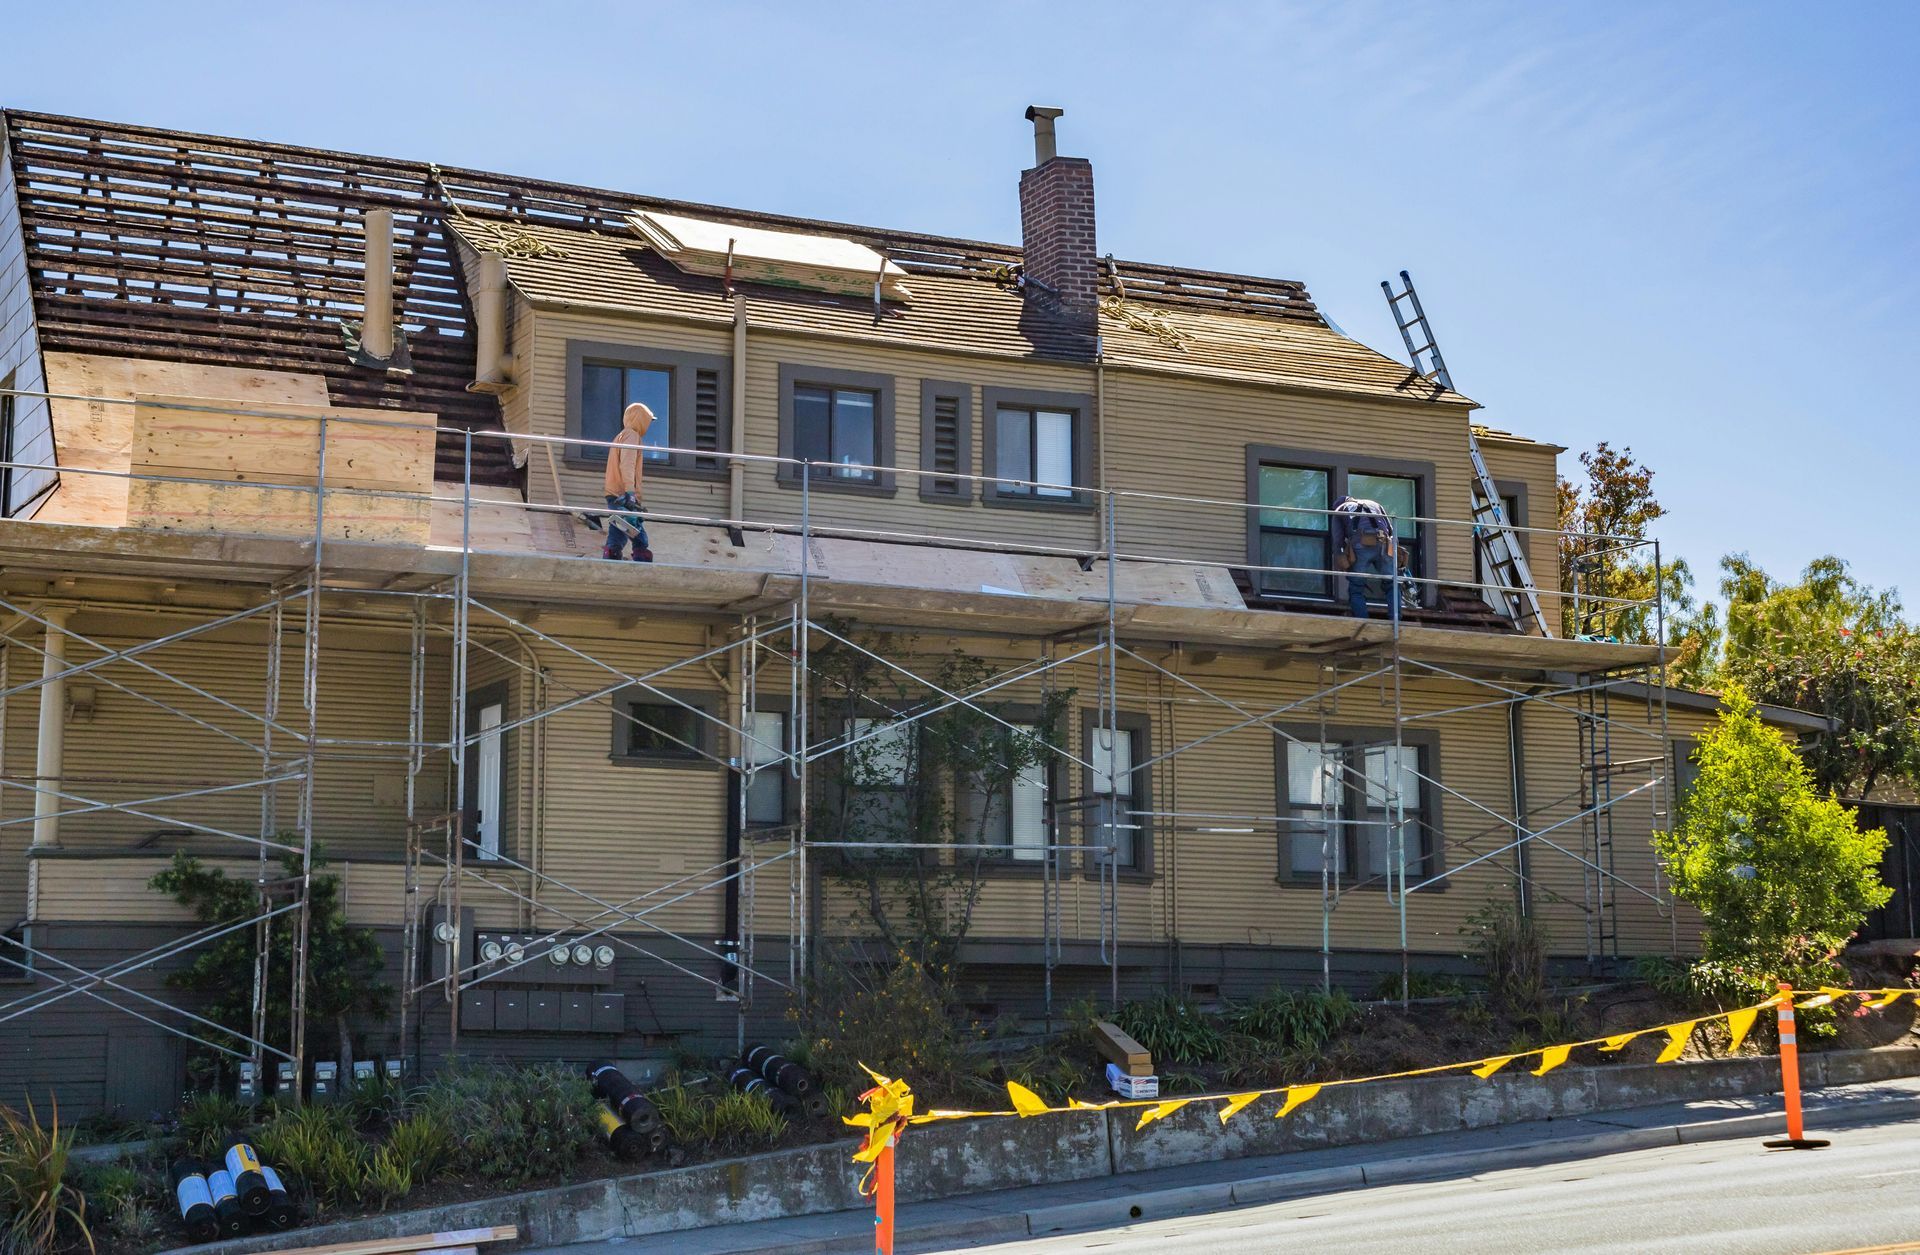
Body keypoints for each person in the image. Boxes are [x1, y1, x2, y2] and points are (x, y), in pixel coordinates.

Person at [602, 402, 655, 562]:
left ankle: (610, 558)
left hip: (615, 494)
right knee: (638, 534)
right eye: (647, 420)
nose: (648, 425)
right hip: (623, 495)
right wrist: (630, 493)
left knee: (619, 531)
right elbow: (627, 463)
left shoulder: (621, 436)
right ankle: (641, 560)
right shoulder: (632, 436)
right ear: (641, 419)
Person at [1330, 494, 1397, 619]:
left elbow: (1337, 540)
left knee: (1356, 587)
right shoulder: (1375, 504)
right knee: (1392, 584)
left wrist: (1339, 558)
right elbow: (1392, 531)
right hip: (1383, 542)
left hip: (1360, 544)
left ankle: (1362, 620)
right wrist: (1394, 553)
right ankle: (1396, 620)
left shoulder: (1340, 509)